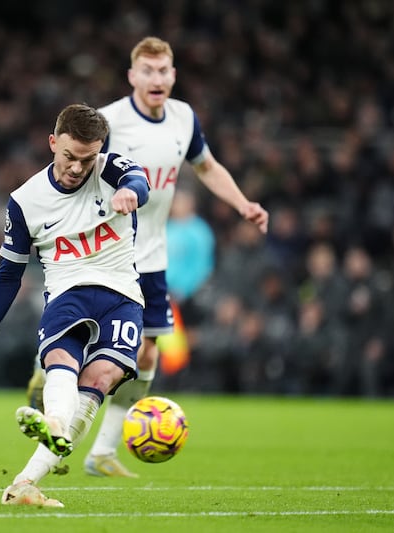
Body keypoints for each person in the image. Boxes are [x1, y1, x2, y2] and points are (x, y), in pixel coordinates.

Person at [26, 36, 269, 477]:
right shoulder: (112, 122)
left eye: (164, 71)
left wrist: (242, 203)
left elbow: (207, 166)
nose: (157, 79)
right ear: (132, 76)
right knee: (91, 346)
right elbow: (75, 175)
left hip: (152, 256)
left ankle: (100, 452)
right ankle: (53, 390)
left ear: (174, 75)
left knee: (147, 355)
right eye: (148, 71)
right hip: (106, 252)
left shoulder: (183, 118)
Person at [0, 103, 150, 507]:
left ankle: (23, 483)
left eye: (86, 159)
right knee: (61, 362)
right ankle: (54, 419)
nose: (76, 167)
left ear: (100, 150)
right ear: (53, 143)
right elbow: (7, 276)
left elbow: (138, 181)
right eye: (69, 156)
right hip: (68, 293)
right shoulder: (25, 201)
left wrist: (129, 191)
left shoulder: (111, 169)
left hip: (122, 296)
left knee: (102, 378)